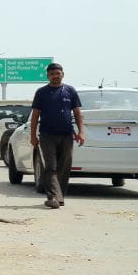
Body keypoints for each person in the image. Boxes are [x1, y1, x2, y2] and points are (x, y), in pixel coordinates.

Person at [29, 62, 85, 209]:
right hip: (47, 135)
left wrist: (81, 132)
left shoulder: (70, 91)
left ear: (62, 74)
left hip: (67, 135)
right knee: (51, 167)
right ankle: (54, 197)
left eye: (57, 74)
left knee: (64, 167)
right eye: (52, 74)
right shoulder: (41, 92)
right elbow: (35, 115)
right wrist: (33, 136)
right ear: (48, 76)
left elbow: (78, 113)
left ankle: (59, 197)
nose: (55, 76)